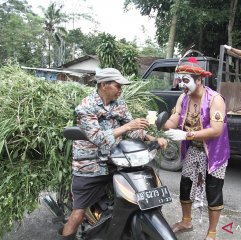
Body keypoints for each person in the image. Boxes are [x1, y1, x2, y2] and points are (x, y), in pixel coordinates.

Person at [59, 68, 168, 239]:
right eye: (117, 86)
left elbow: (132, 132)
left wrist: (152, 138)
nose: (120, 90)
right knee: (78, 214)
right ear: (104, 85)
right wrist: (127, 127)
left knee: (133, 199)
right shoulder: (86, 107)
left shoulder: (120, 104)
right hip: (90, 165)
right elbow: (97, 137)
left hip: (117, 162)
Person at [163, 57, 230, 240]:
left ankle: (212, 232)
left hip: (214, 152)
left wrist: (186, 135)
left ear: (199, 80)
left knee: (213, 191)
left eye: (186, 80)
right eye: (180, 80)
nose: (181, 84)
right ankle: (186, 221)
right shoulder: (183, 97)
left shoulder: (215, 99)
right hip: (194, 149)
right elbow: (175, 118)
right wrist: (162, 125)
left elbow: (216, 131)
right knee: (185, 185)